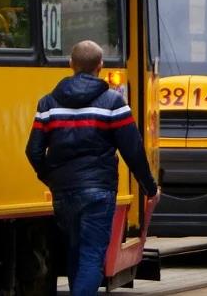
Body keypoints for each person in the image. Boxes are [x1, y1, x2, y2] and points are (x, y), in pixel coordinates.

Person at [25, 40, 161, 296]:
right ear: (100, 66)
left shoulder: (48, 104)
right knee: (91, 257)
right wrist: (149, 187)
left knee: (75, 253)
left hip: (64, 193)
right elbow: (132, 150)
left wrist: (51, 178)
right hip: (99, 192)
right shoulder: (113, 103)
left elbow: (32, 151)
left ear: (70, 64)